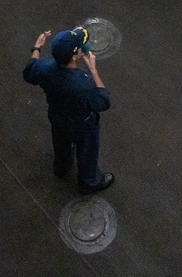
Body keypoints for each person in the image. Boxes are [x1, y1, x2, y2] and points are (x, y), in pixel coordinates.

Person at [23, 27, 114, 194]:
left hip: (57, 116)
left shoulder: (45, 68)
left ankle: (61, 167)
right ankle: (89, 182)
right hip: (82, 125)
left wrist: (36, 47)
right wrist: (93, 70)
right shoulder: (82, 84)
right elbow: (103, 100)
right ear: (74, 56)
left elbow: (30, 69)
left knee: (61, 142)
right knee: (87, 152)